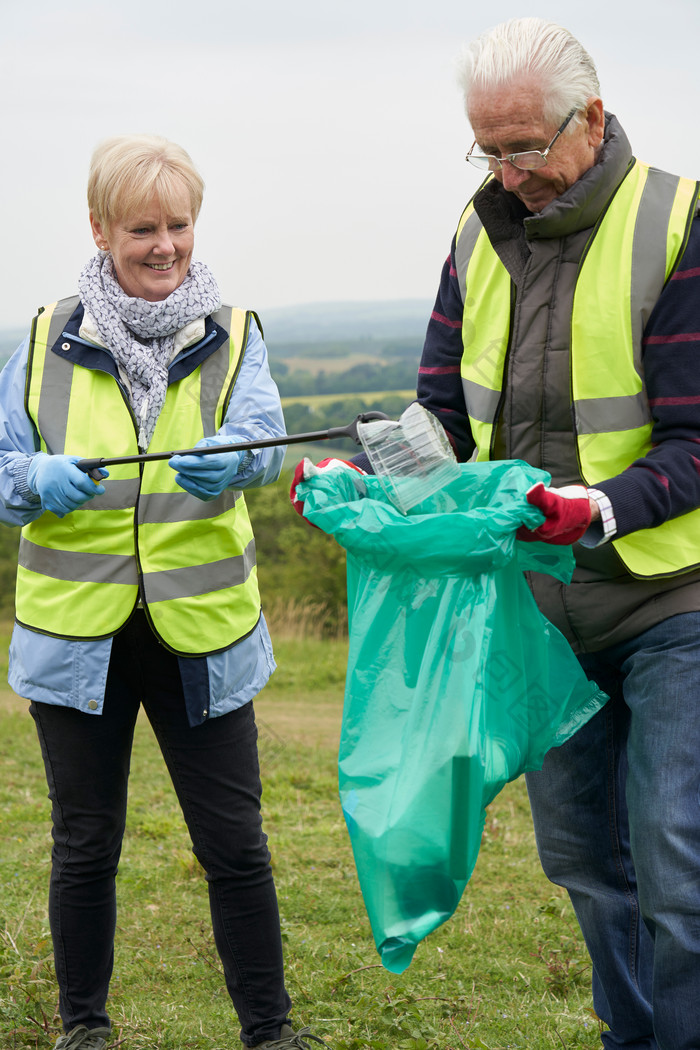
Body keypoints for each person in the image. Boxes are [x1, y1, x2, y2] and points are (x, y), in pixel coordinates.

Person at [0, 135, 327, 1050]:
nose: (164, 246)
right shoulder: (40, 338)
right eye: (142, 228)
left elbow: (265, 443)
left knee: (235, 848)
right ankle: (83, 1029)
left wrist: (237, 460)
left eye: (178, 226)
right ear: (100, 228)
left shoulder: (235, 331)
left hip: (203, 635)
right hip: (77, 637)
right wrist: (33, 480)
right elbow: (0, 470)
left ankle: (271, 1033)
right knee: (85, 847)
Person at [412, 18, 700, 1049]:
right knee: (583, 864)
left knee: (677, 862)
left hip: (671, 601)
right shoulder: (474, 232)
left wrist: (599, 508)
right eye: (486, 148)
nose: (506, 171)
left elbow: (696, 437)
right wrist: (379, 480)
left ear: (591, 117)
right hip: (537, 613)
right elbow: (439, 413)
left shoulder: (676, 219)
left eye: (524, 146)